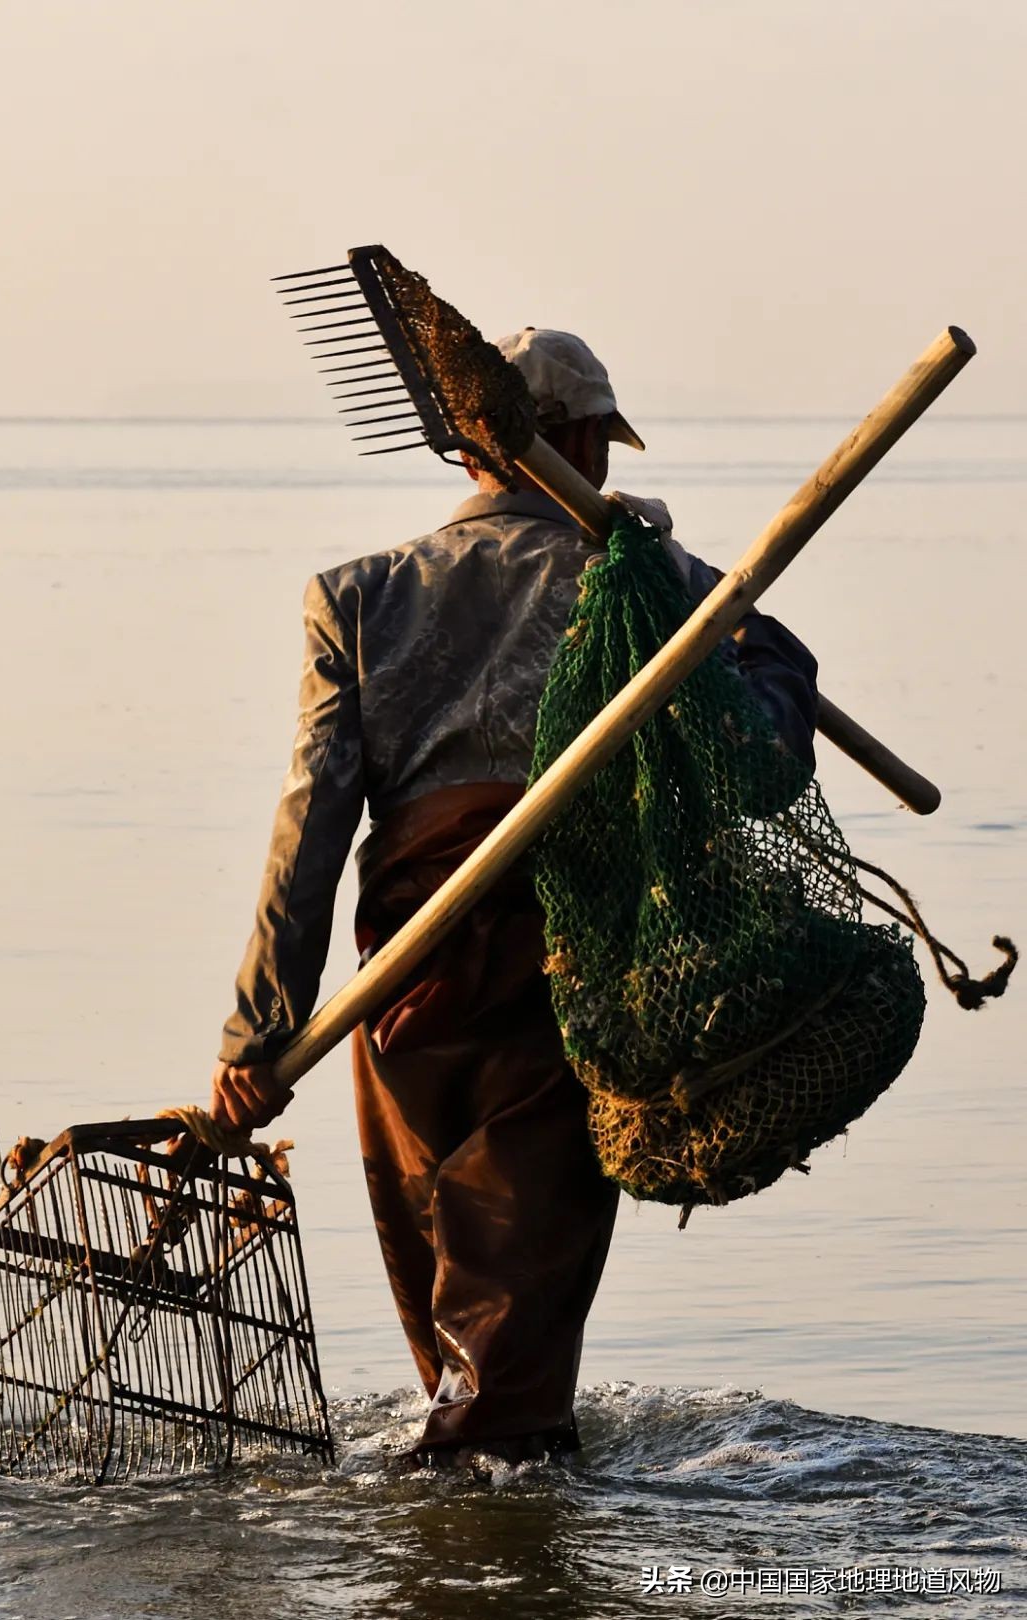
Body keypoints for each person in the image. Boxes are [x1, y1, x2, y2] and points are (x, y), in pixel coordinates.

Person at [207, 328, 820, 1465]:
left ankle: (462, 1533)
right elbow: (760, 765)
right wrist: (769, 649)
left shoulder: (357, 596)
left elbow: (309, 831)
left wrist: (260, 1033)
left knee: (458, 1347)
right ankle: (493, 1522)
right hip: (567, 985)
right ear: (581, 443)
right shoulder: (656, 592)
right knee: (506, 1392)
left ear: (465, 448)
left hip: (402, 996)